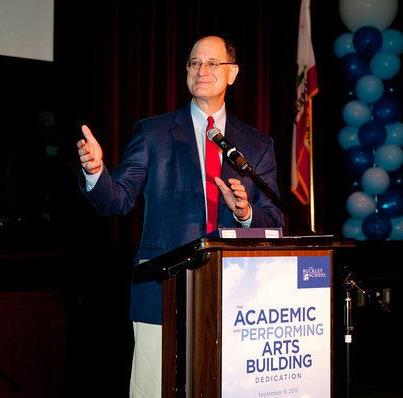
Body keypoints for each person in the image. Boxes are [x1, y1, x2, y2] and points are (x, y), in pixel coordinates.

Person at [76, 35, 284, 397]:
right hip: (161, 291)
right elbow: (119, 199)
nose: (201, 70)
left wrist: (247, 213)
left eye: (212, 63)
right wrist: (96, 172)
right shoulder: (153, 132)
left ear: (232, 73)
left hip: (235, 298)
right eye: (194, 63)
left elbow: (276, 219)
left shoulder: (256, 144)